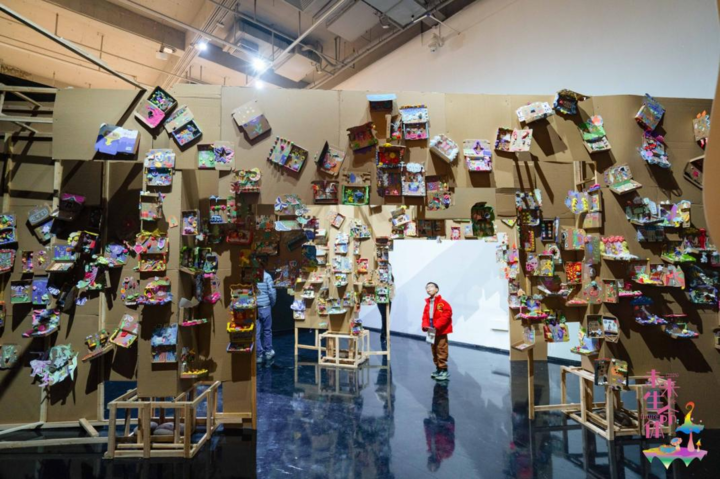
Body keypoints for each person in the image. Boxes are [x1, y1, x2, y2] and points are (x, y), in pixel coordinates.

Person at [421, 282, 452, 381]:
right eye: (427, 288)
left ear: (437, 289)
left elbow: (447, 315)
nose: (428, 289)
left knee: (441, 349)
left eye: (431, 287)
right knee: (434, 349)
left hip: (440, 330)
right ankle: (438, 369)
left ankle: (443, 370)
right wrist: (425, 325)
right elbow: (425, 316)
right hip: (431, 330)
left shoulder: (443, 303)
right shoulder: (427, 304)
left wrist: (437, 325)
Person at [256, 269, 277, 364]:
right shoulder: (267, 276)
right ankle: (268, 352)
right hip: (265, 306)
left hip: (254, 307)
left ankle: (258, 355)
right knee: (267, 330)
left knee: (256, 332)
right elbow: (272, 292)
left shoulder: (251, 276)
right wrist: (272, 303)